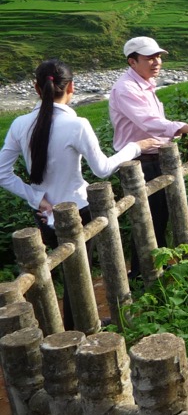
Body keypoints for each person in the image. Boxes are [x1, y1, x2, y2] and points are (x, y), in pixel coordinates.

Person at [0, 59, 159, 327]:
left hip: (43, 214)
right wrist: (134, 147)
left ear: (36, 88)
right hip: (77, 210)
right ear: (71, 87)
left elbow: (2, 173)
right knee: (80, 273)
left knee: (63, 271)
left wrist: (37, 198)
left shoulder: (19, 124)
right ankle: (80, 329)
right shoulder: (77, 125)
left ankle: (71, 328)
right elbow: (102, 169)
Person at [109, 36, 188, 274]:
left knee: (158, 216)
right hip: (139, 163)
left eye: (158, 56)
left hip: (153, 158)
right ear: (132, 61)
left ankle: (154, 267)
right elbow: (149, 122)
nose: (156, 62)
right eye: (149, 58)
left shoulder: (144, 84)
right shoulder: (126, 88)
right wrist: (185, 127)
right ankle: (143, 274)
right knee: (148, 219)